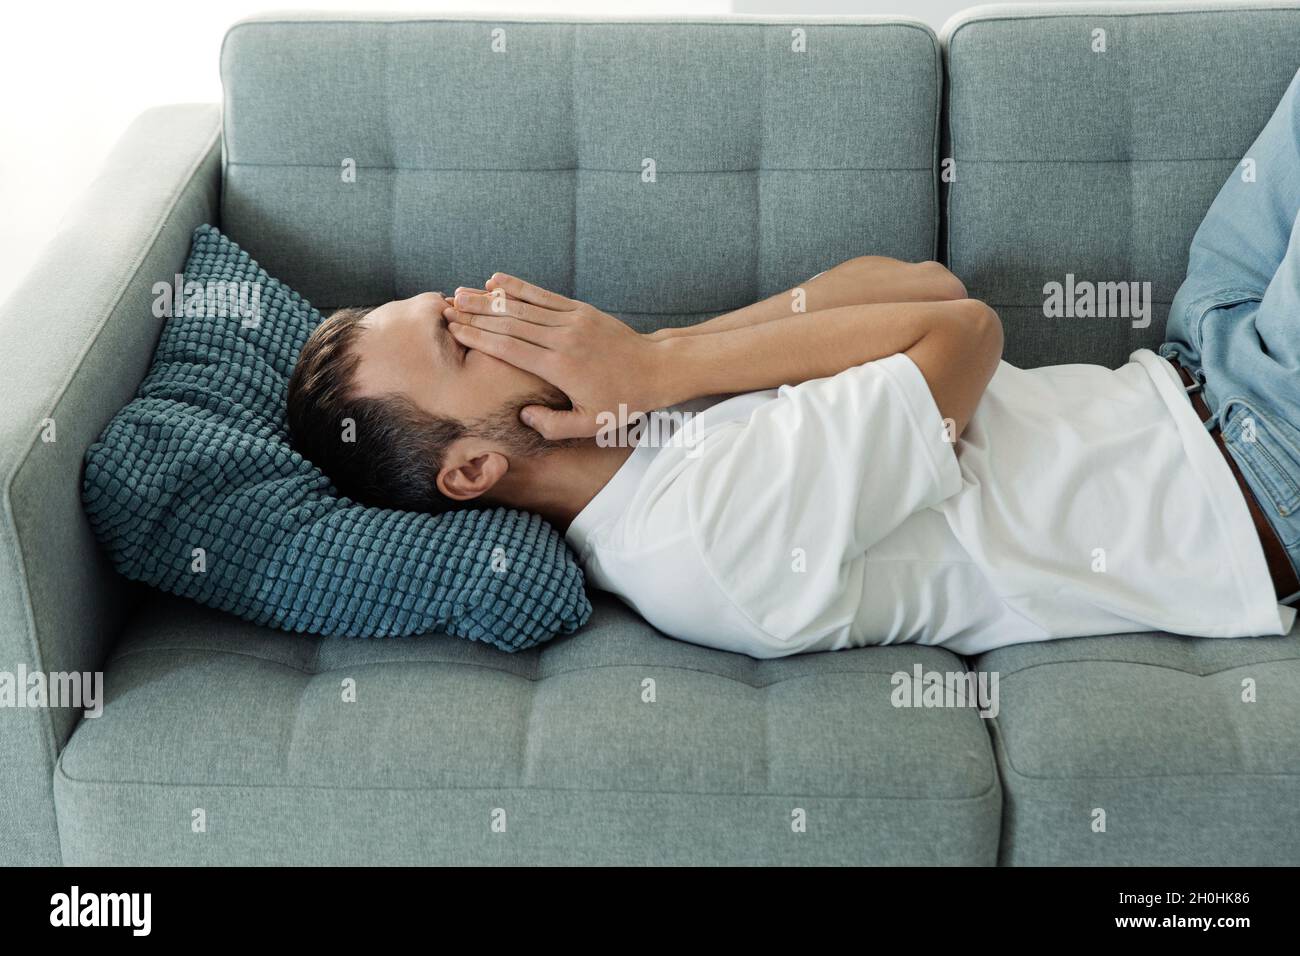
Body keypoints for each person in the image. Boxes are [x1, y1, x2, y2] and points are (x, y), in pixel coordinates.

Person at [286, 64, 1300, 657]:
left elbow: (917, 284)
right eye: (458, 337)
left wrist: (664, 356)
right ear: (470, 467)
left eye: (459, 298)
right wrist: (656, 371)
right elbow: (969, 334)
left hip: (1196, 360)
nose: (492, 303)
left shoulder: (647, 431)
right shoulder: (700, 537)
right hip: (1258, 469)